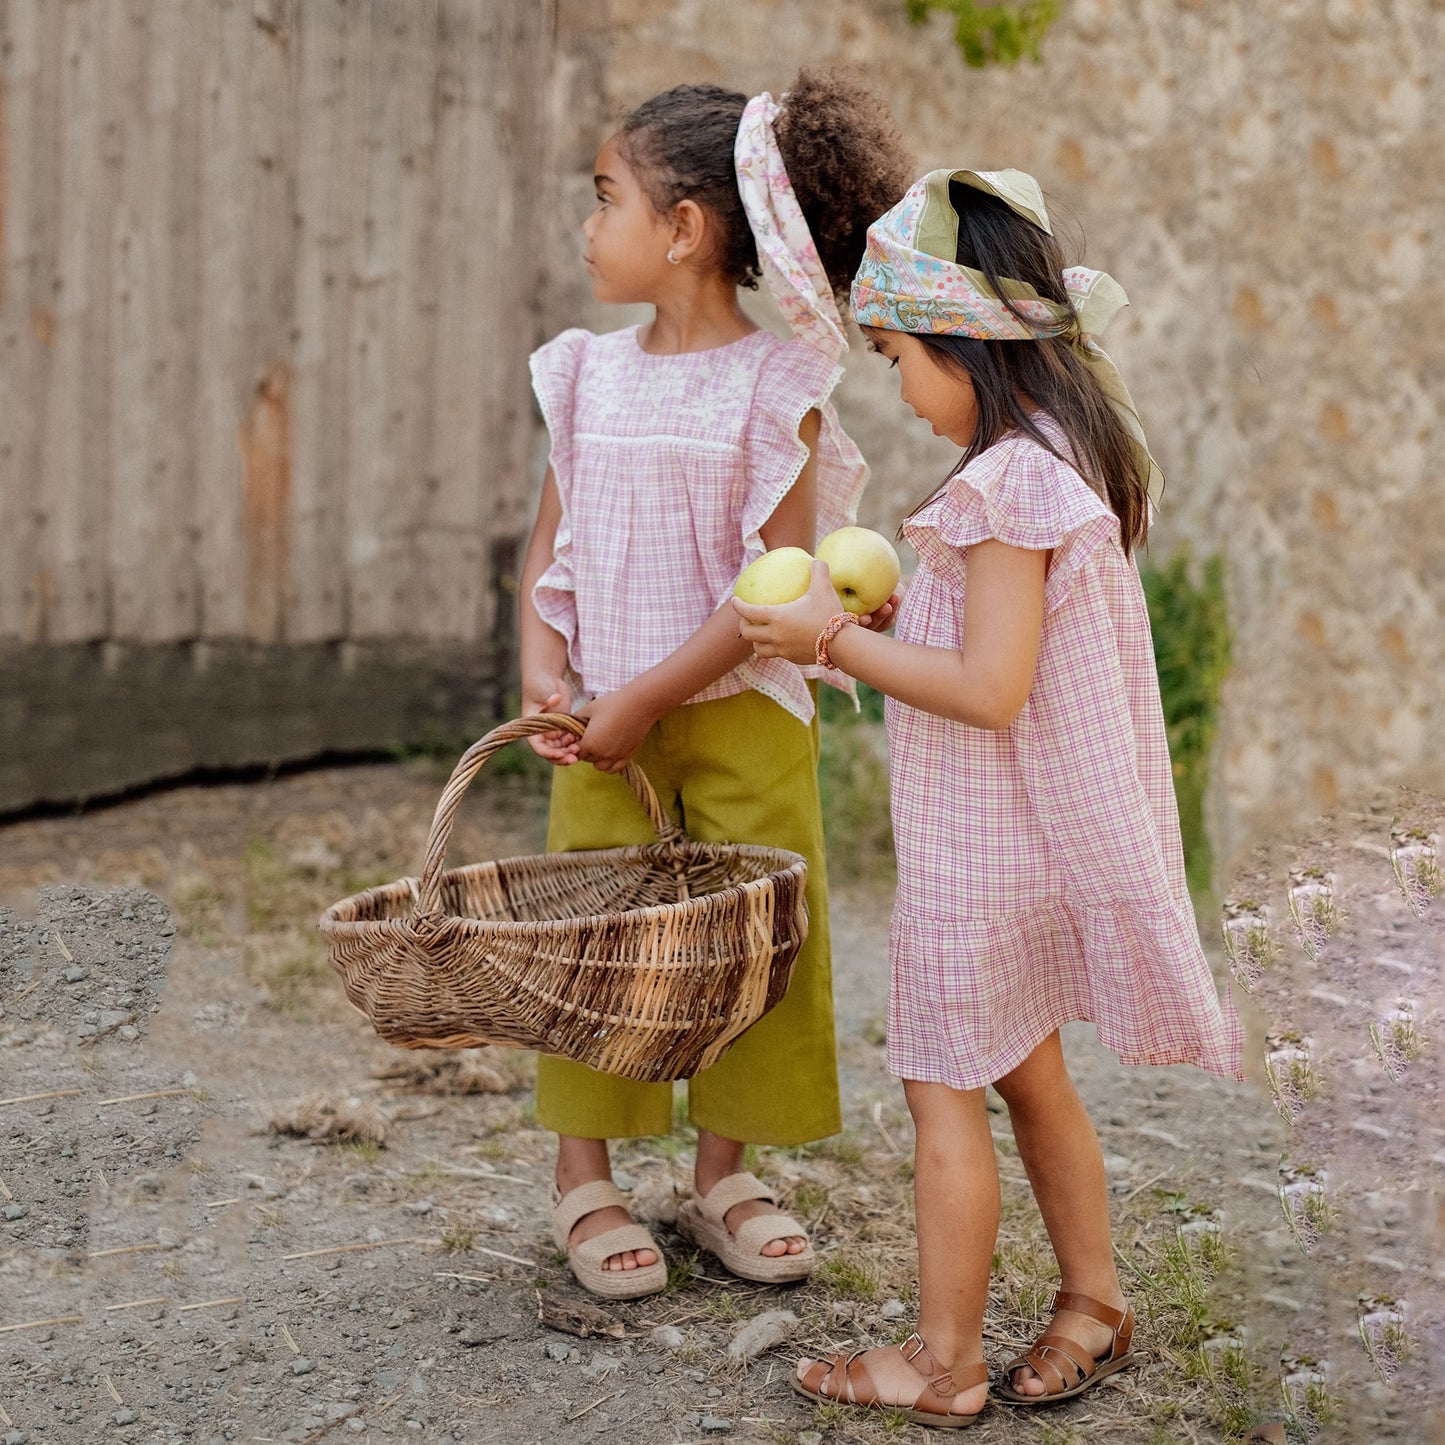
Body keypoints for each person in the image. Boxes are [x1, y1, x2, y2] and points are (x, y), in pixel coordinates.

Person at [735, 168, 1244, 1424]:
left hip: (979, 859)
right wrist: (910, 610)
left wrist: (827, 643)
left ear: (968, 345)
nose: (894, 385)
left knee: (943, 1096)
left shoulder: (1005, 482)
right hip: (1030, 840)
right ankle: (1093, 1297)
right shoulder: (1055, 455)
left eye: (897, 353)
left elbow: (989, 691)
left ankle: (940, 1361)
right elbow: (997, 647)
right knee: (1032, 1081)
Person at [516, 73, 912, 1299]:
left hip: (740, 712)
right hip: (602, 726)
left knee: (746, 937)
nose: (586, 226)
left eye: (604, 198)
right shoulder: (583, 372)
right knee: (594, 938)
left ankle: (719, 1168)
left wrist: (647, 692)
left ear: (683, 229)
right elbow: (548, 547)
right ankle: (585, 1171)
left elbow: (772, 584)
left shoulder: (773, 383)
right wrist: (548, 674)